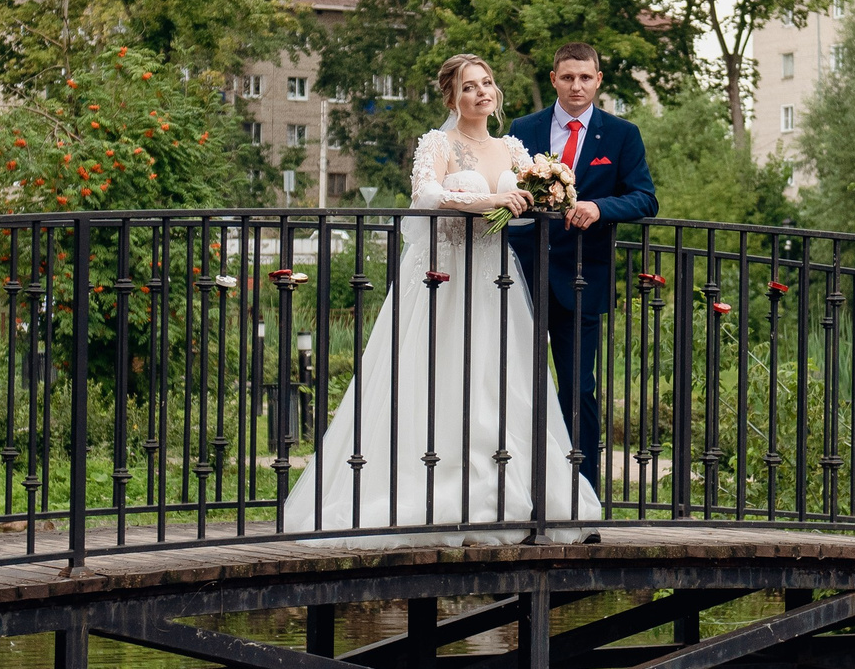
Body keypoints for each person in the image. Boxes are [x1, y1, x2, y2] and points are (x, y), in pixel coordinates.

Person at [280, 53, 601, 543]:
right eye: (469, 86)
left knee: (502, 384)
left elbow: (530, 204)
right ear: (453, 98)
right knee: (441, 379)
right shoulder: (438, 143)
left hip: (497, 281)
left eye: (486, 83)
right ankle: (439, 493)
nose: (481, 92)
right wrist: (491, 200)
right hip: (443, 279)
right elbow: (427, 196)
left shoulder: (513, 149)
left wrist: (548, 196)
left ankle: (516, 495)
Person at [504, 43, 657, 476]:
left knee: (578, 388)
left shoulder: (622, 134)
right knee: (514, 384)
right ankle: (519, 483)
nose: (577, 86)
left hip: (581, 279)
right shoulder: (523, 128)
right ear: (554, 79)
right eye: (568, 77)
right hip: (521, 274)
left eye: (585, 77)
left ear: (598, 80)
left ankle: (581, 488)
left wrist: (599, 207)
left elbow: (645, 198)